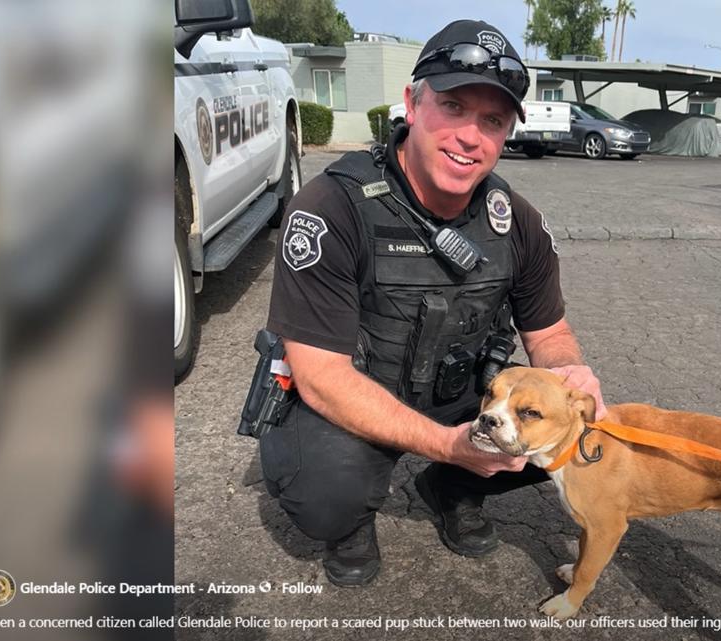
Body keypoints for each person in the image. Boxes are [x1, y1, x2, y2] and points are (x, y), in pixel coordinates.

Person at [259, 19, 605, 588]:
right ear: (412, 105)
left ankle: (450, 487)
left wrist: (569, 376)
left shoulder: (517, 220)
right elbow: (319, 376)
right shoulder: (329, 206)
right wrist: (447, 444)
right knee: (324, 492)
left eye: (492, 120)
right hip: (354, 394)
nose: (471, 136)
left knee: (570, 429)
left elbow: (549, 336)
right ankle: (352, 519)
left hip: (461, 391)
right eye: (452, 106)